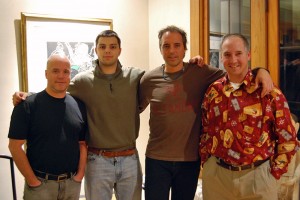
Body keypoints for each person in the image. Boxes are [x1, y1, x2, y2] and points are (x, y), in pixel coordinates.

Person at [138, 26, 274, 200]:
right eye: (166, 46)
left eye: (177, 45)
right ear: (160, 49)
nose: (172, 51)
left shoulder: (201, 73)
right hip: (156, 159)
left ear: (185, 48)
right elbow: (135, 108)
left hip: (189, 159)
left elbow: (235, 71)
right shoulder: (149, 80)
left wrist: (261, 71)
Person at [13, 30, 145, 200]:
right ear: (96, 50)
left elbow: (157, 85)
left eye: (113, 46)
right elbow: (57, 88)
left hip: (129, 158)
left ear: (120, 50)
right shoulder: (83, 80)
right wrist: (26, 95)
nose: (107, 50)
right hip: (98, 159)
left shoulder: (135, 76)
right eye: (102, 46)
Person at [200, 33, 298, 200]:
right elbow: (205, 128)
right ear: (221, 57)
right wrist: (207, 163)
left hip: (258, 178)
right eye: (227, 55)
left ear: (248, 55)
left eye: (238, 54)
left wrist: (273, 174)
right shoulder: (213, 91)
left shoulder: (268, 92)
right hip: (217, 177)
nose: (233, 60)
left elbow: (287, 138)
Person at [8, 54, 88, 200]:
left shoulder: (79, 105)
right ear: (46, 73)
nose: (61, 76)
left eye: (66, 72)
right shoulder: (27, 105)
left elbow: (82, 144)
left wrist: (80, 175)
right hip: (40, 186)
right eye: (55, 71)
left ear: (70, 75)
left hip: (71, 185)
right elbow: (14, 146)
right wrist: (33, 181)